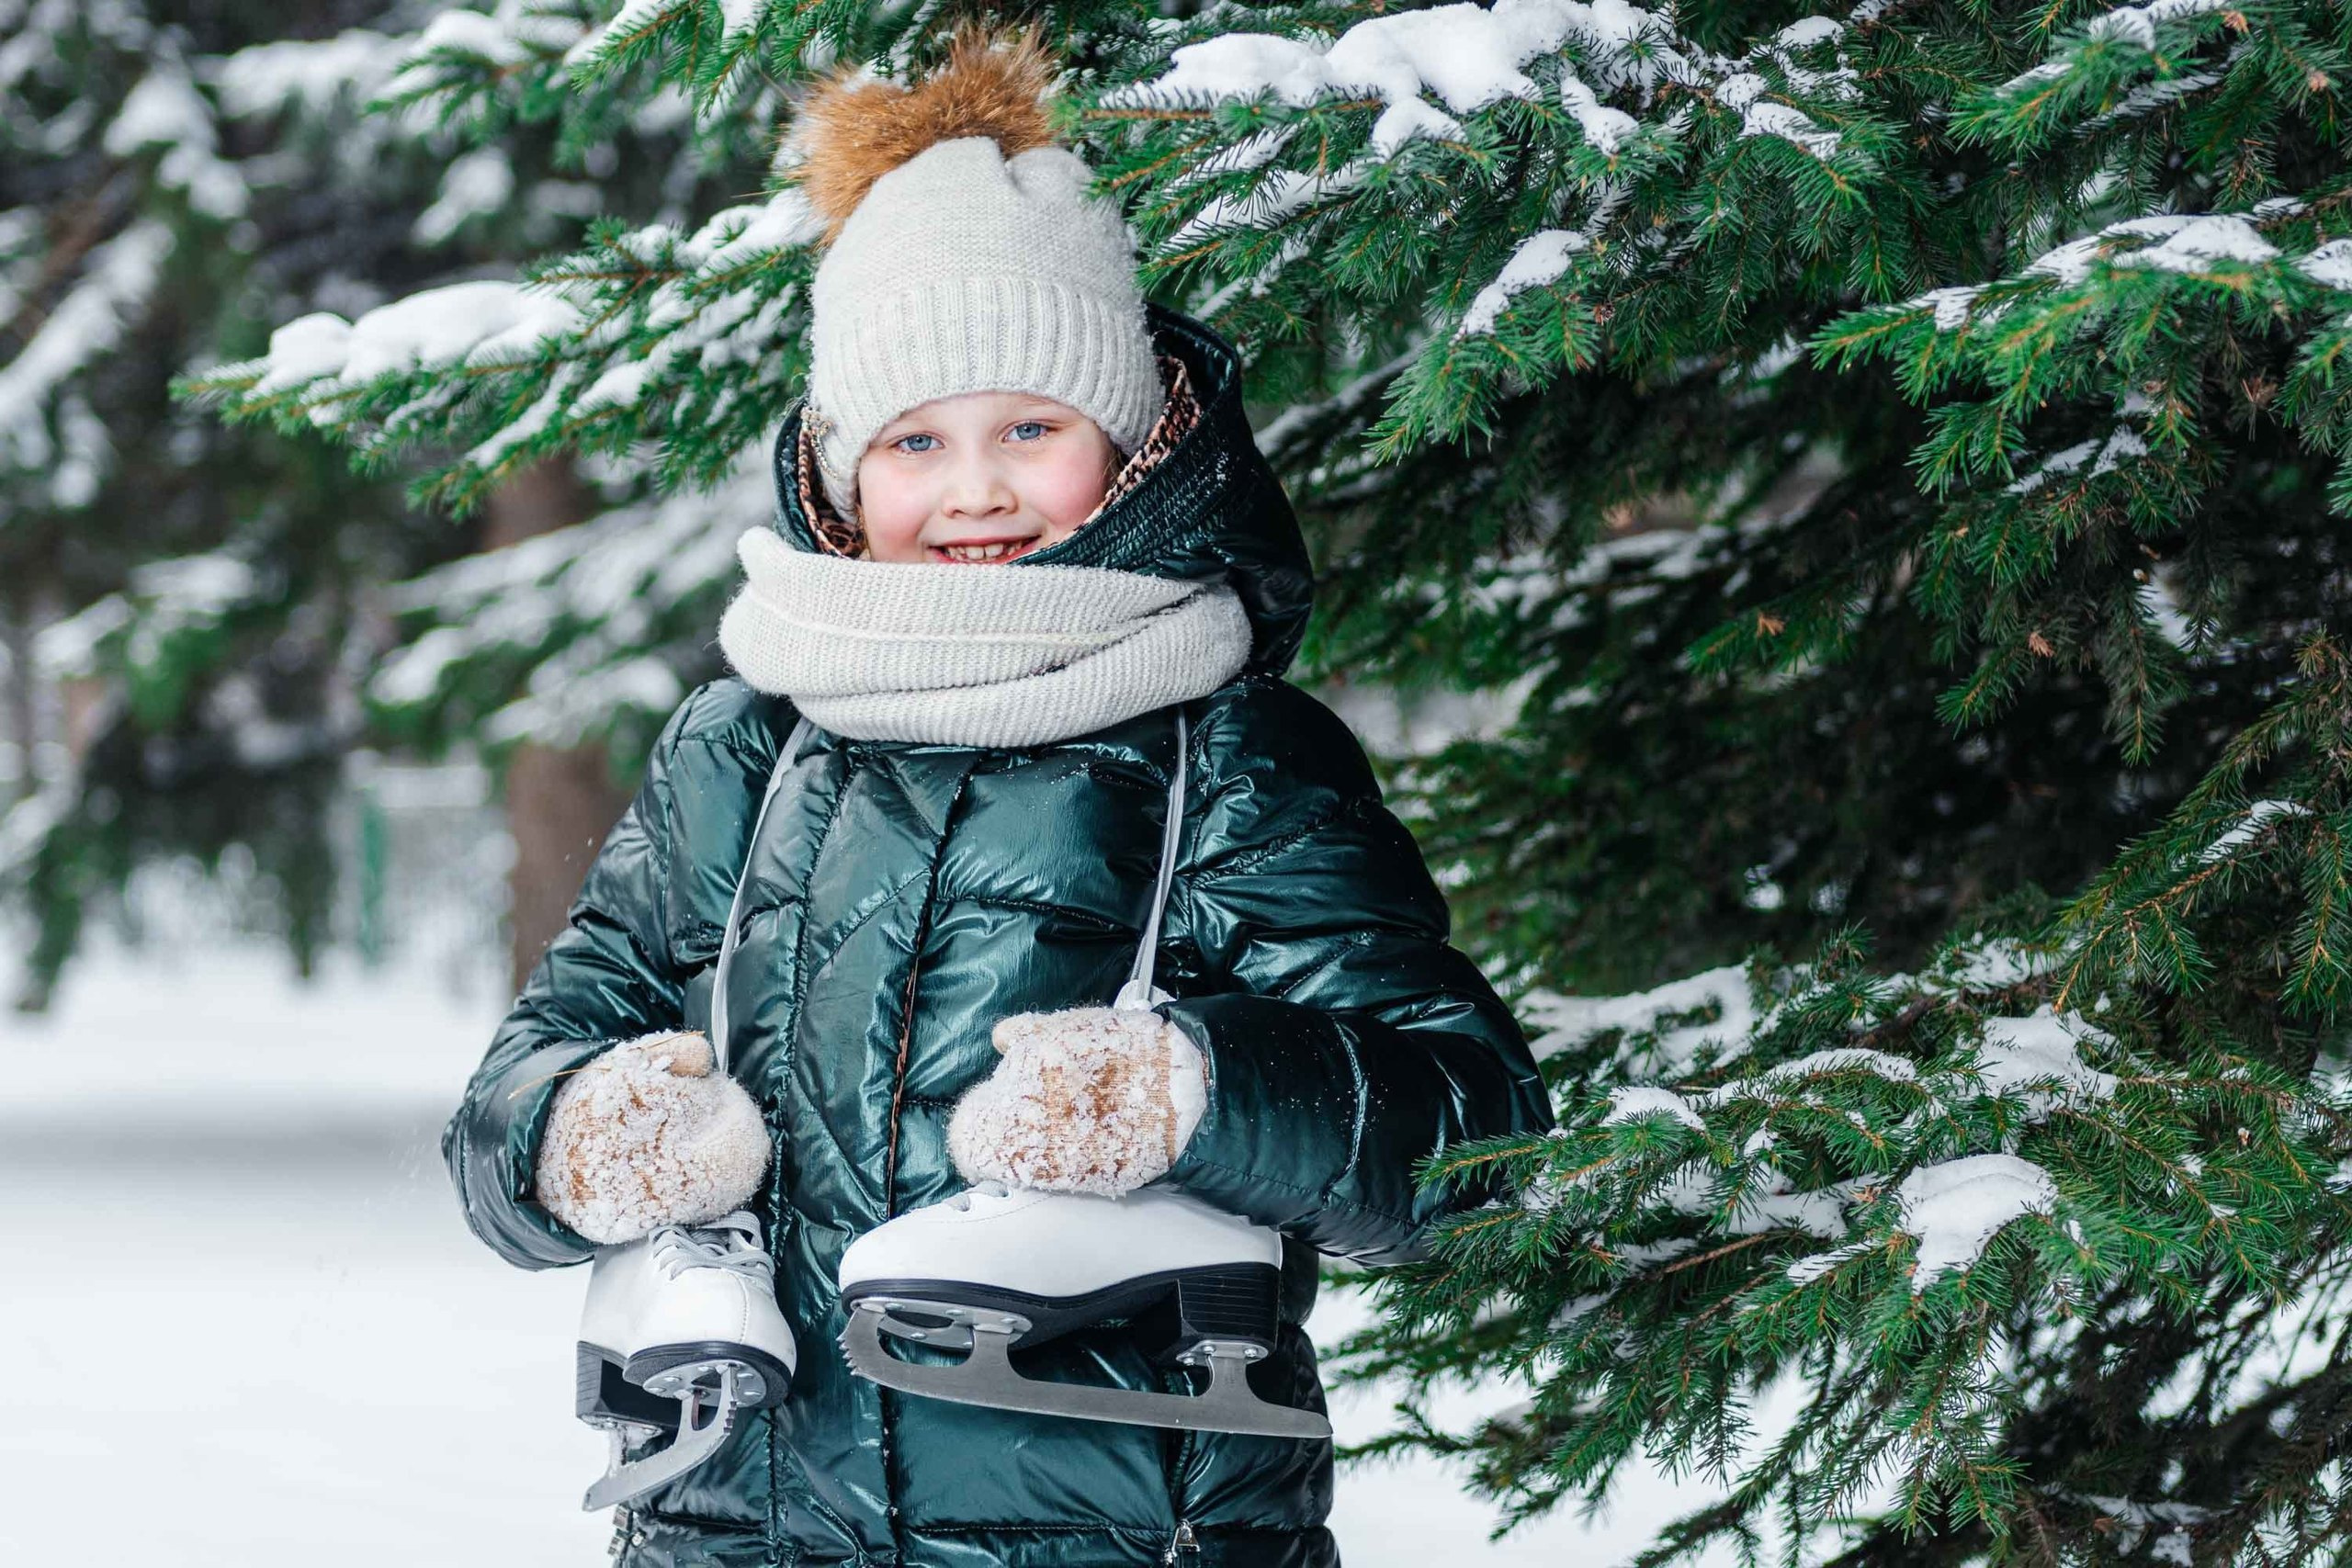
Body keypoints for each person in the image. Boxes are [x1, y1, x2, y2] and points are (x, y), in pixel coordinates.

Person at [442, 29, 1553, 1568]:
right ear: (837, 474)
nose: (975, 489)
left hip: (1141, 1538)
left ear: (1132, 438)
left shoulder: (1228, 752)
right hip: (737, 1537)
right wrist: (574, 1136)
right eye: (916, 441)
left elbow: (1475, 1134)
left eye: (1031, 427)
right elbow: (523, 1082)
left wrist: (1192, 1094)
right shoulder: (744, 750)